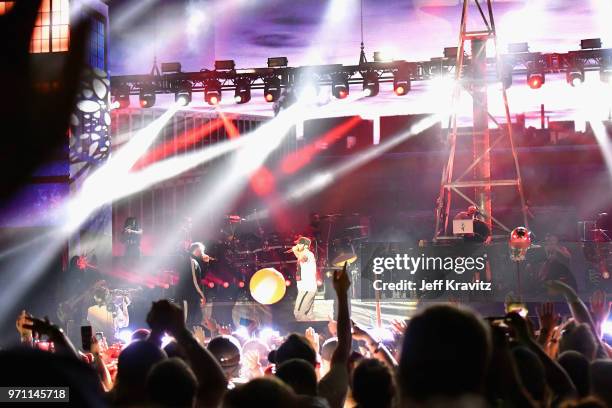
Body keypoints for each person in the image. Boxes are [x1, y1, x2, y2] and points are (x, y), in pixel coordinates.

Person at [175, 242, 210, 328]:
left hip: (193, 297)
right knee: (187, 321)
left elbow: (201, 277)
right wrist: (202, 295)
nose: (202, 253)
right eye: (201, 251)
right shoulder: (191, 261)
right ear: (196, 250)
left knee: (194, 320)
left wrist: (206, 263)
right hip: (187, 297)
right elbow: (195, 281)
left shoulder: (195, 262)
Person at [292, 236, 318, 321]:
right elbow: (300, 258)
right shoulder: (304, 253)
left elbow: (303, 259)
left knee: (299, 314)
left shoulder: (307, 253)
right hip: (306, 289)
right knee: (308, 315)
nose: (297, 245)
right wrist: (296, 251)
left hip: (307, 289)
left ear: (306, 246)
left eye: (300, 244)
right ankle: (310, 331)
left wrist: (295, 250)